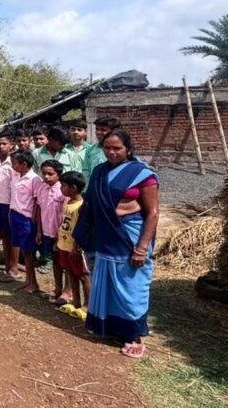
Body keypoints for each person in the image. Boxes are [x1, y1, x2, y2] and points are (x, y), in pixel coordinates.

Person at [77, 129, 159, 359]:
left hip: (130, 237)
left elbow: (152, 213)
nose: (111, 152)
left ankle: (134, 335)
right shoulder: (100, 172)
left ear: (128, 149)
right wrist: (82, 235)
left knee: (131, 286)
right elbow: (90, 205)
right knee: (108, 284)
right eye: (107, 148)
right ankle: (111, 328)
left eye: (117, 148)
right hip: (105, 236)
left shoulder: (142, 175)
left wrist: (142, 247)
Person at [56, 171, 89, 320]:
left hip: (75, 247)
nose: (61, 188)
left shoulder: (81, 205)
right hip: (64, 243)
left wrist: (78, 244)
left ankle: (88, 306)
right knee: (70, 272)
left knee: (82, 275)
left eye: (63, 185)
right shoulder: (68, 202)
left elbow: (82, 227)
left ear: (73, 188)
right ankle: (76, 303)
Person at [34, 159, 66, 303]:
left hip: (62, 234)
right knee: (55, 261)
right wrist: (39, 231)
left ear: (58, 174)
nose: (46, 177)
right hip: (47, 231)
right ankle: (58, 288)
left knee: (67, 264)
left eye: (50, 174)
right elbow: (40, 210)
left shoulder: (63, 190)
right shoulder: (42, 188)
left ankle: (68, 291)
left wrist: (61, 236)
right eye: (44, 173)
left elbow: (65, 215)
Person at [8, 149, 40, 294]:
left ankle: (33, 283)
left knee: (29, 251)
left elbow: (36, 201)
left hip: (26, 218)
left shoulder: (34, 179)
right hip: (15, 215)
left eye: (15, 163)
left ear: (24, 164)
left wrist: (33, 221)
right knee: (23, 250)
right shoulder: (16, 176)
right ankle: (28, 280)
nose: (12, 166)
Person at [0, 131, 18, 282]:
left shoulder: (14, 163)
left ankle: (14, 267)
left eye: (4, 144)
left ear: (11, 145)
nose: (1, 147)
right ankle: (7, 265)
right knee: (5, 235)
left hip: (11, 204)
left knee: (13, 236)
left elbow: (17, 186)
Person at [83, 117, 121, 183]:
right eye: (97, 129)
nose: (98, 132)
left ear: (113, 131)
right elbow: (86, 172)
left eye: (103, 130)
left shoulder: (120, 150)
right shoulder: (91, 149)